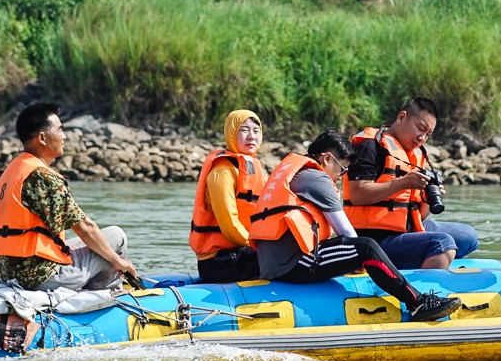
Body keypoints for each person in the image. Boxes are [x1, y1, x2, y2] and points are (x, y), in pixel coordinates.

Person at [251, 131, 462, 322]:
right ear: (326, 159)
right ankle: (417, 302)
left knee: (362, 247)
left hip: (276, 262)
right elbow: (347, 232)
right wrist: (358, 261)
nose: (341, 177)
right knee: (366, 248)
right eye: (342, 170)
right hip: (293, 264)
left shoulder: (293, 171)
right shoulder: (316, 178)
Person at [0, 103, 138, 293]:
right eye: (60, 129)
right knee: (116, 237)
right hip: (41, 277)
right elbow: (85, 228)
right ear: (42, 138)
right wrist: (118, 261)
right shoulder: (42, 176)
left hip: (10, 272)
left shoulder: (13, 171)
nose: (65, 136)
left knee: (98, 242)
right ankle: (107, 295)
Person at [344, 97, 480, 270]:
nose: (422, 138)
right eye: (420, 128)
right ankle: (424, 292)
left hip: (407, 230)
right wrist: (404, 183)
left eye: (428, 134)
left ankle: (429, 262)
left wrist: (425, 198)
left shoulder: (414, 155)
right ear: (401, 118)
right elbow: (358, 195)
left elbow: (420, 217)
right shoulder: (371, 146)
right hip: (374, 239)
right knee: (443, 243)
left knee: (468, 236)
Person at [190, 109, 267, 282]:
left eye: (256, 131)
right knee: (278, 256)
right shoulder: (222, 171)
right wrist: (262, 248)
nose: (251, 136)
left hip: (240, 251)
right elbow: (229, 225)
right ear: (231, 133)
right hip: (218, 260)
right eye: (244, 130)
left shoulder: (253, 167)